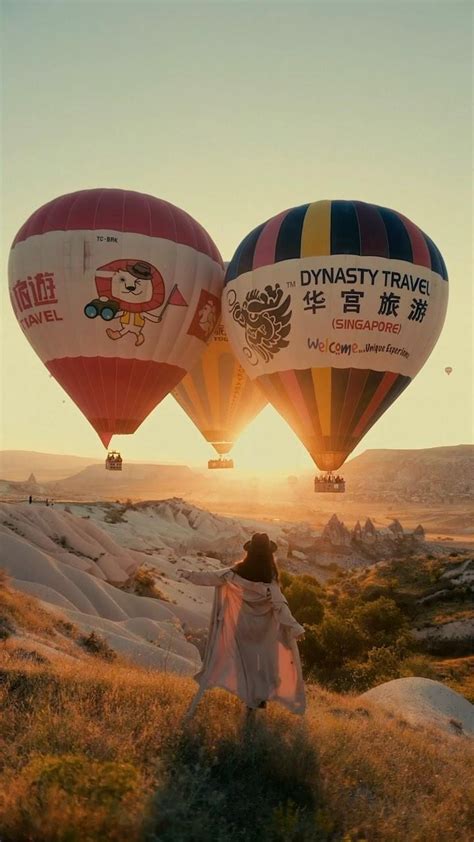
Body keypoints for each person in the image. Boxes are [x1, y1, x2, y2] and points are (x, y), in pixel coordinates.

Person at [178, 533, 306, 721]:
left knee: (243, 665)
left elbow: (210, 577)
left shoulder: (235, 573)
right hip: (263, 634)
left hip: (241, 629)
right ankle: (253, 710)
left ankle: (247, 698)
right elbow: (281, 607)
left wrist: (186, 574)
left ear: (249, 553)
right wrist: (296, 628)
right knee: (262, 670)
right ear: (269, 556)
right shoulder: (269, 581)